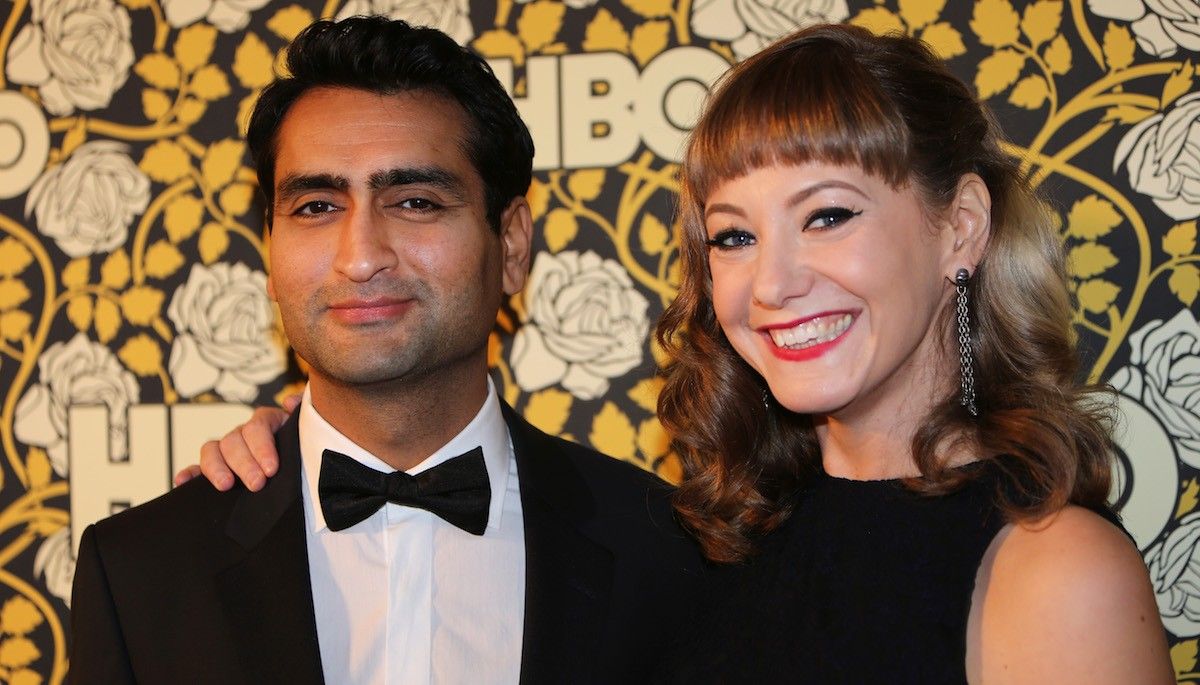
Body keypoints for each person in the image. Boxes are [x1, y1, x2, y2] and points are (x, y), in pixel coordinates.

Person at [192, 24, 1174, 684]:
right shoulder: (713, 542)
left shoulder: (1056, 572)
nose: (773, 282)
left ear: (960, 226)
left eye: (828, 215)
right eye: (734, 236)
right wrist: (299, 457)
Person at [68, 16, 704, 685]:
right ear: (270, 249)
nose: (361, 256)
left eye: (415, 201)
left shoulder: (666, 553)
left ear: (512, 244)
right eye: (316, 207)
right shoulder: (141, 572)